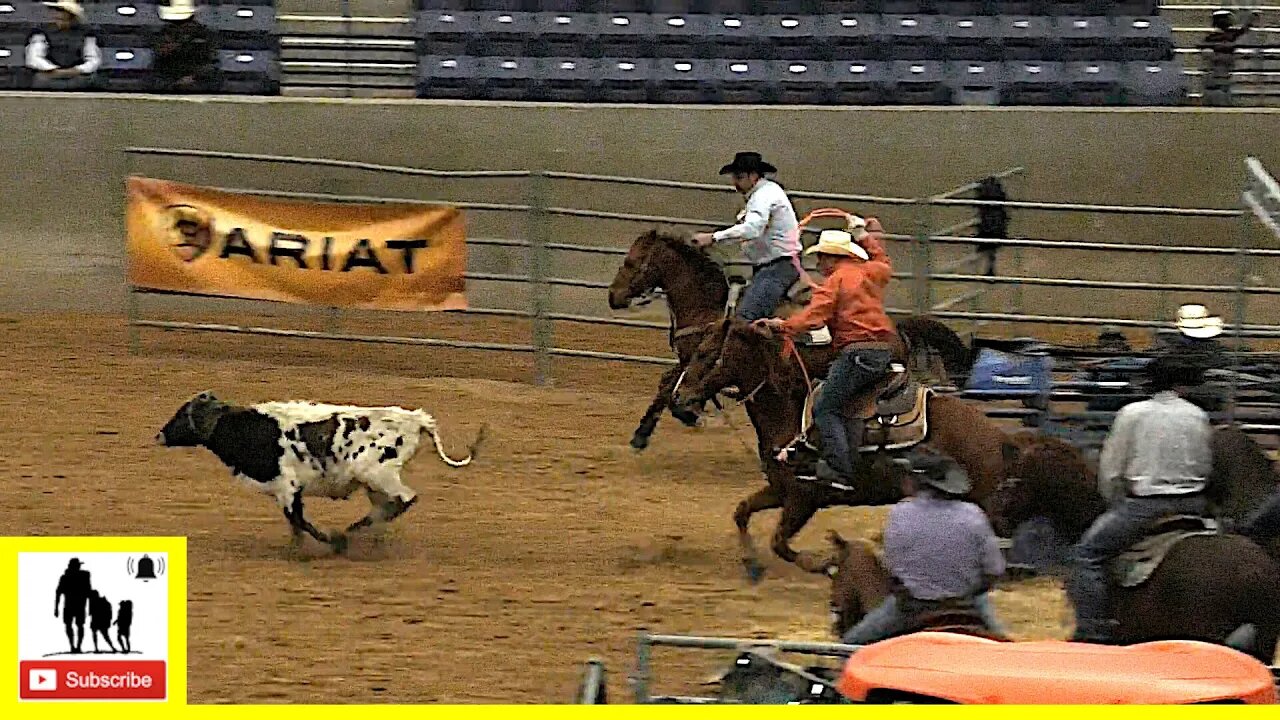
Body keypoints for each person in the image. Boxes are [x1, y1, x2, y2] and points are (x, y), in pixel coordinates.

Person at [1066, 354, 1213, 644]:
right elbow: (1206, 466)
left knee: (1086, 555)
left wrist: (1114, 501)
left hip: (1146, 505)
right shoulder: (1198, 415)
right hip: (1195, 503)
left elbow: (1111, 470)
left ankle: (1093, 632)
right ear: (1182, 386)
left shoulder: (1132, 413)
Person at [756, 220, 896, 484]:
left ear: (833, 258)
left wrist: (781, 326)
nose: (818, 264)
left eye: (821, 257)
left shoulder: (835, 282)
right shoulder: (871, 272)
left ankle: (839, 468)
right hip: (881, 349)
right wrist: (863, 236)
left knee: (824, 408)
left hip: (856, 352)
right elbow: (883, 259)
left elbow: (814, 316)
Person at [840, 450, 1006, 645]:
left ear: (916, 482)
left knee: (851, 643)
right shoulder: (974, 514)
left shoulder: (900, 513)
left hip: (914, 606)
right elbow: (995, 569)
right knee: (1001, 643)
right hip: (966, 604)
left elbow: (894, 567)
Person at [691, 152, 801, 322]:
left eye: (739, 177)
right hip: (774, 266)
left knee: (744, 318)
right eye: (734, 177)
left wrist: (713, 237)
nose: (735, 182)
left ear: (753, 176)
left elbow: (752, 229)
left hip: (778, 268)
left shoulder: (763, 196)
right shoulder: (764, 193)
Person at [25, 2, 100, 90]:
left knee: (90, 80)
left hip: (76, 76)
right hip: (50, 75)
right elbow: (34, 58)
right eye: (58, 19)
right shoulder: (42, 32)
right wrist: (53, 70)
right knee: (40, 79)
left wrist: (76, 70)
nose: (60, 22)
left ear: (72, 19)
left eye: (64, 19)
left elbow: (93, 60)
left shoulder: (85, 34)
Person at [151, 0, 221, 93]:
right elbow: (160, 53)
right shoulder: (165, 32)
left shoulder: (203, 34)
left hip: (197, 76)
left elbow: (211, 61)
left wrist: (193, 77)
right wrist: (177, 44)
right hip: (170, 73)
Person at [1199, 9, 1260, 107]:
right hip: (1217, 71)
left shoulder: (1222, 36)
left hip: (1224, 71)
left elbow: (1243, 29)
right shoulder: (1213, 38)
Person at [54, 557, 92, 653]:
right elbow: (58, 592)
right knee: (73, 625)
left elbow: (88, 591)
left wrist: (56, 607)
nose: (79, 566)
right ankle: (74, 646)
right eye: (78, 565)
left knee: (76, 625)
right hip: (75, 605)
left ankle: (76, 646)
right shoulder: (81, 576)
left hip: (75, 605)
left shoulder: (83, 575)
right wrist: (56, 607)